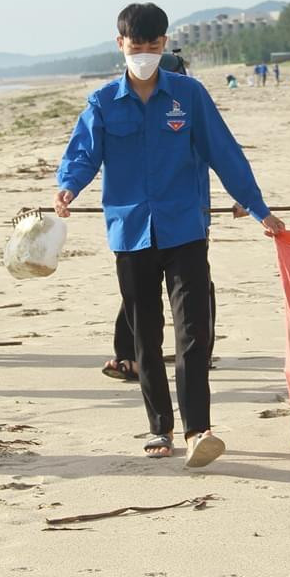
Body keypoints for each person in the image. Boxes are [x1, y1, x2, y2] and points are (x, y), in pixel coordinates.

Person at [56, 2, 285, 467]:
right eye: (135, 46)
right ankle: (159, 426)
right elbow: (83, 154)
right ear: (120, 44)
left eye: (152, 46)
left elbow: (224, 151)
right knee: (146, 337)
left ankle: (198, 428)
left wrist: (258, 207)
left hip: (184, 228)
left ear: (165, 44)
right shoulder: (102, 103)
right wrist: (68, 187)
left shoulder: (189, 95)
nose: (143, 53)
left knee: (194, 332)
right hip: (129, 231)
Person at [102, 51, 246, 383]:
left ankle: (200, 353)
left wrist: (243, 198)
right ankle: (130, 356)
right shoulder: (129, 106)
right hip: (141, 219)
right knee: (138, 293)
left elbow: (222, 154)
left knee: (194, 292)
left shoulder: (188, 101)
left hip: (188, 218)